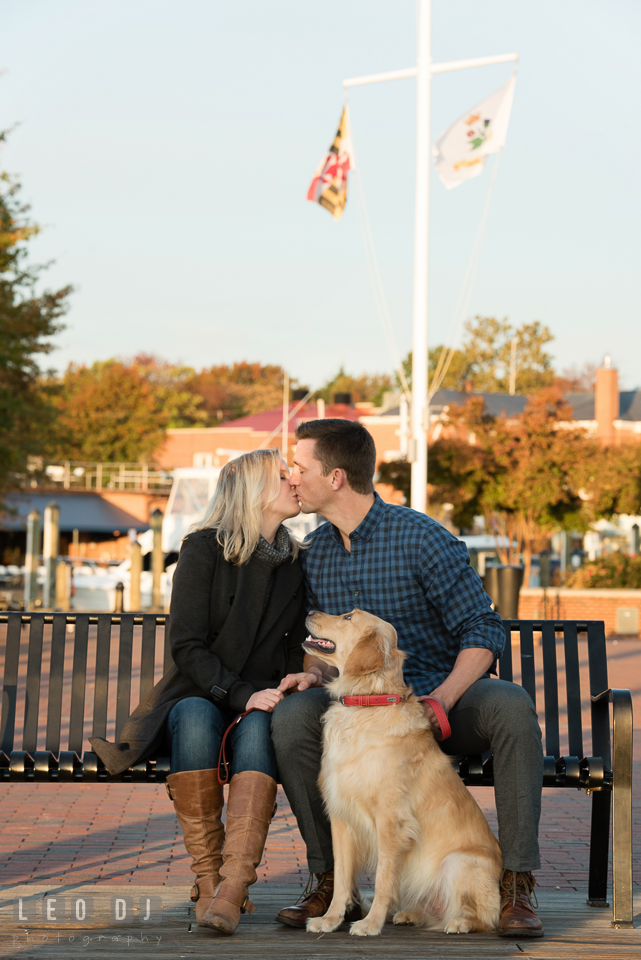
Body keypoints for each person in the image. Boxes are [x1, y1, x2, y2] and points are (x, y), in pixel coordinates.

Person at [271, 419, 545, 938]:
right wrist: (311, 674)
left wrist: (441, 698)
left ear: (334, 478)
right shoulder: (318, 550)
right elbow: (325, 646)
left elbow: (483, 628)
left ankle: (515, 884)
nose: (292, 477)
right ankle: (333, 883)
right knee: (291, 720)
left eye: (299, 467)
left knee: (510, 705)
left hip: (442, 699)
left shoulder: (422, 539)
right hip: (363, 710)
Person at [90, 448, 306, 936]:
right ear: (253, 489)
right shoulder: (204, 548)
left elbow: (297, 647)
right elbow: (186, 645)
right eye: (282, 475)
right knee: (192, 713)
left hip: (263, 703)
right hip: (199, 693)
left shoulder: (295, 561)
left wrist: (294, 680)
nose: (294, 481)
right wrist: (239, 692)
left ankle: (233, 887)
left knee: (256, 731)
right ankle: (208, 880)